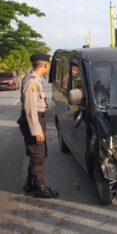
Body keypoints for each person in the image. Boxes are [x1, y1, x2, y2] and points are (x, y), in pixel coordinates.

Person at [17, 53, 59, 198]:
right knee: (38, 157)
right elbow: (30, 109)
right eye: (50, 65)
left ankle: (30, 184)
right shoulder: (32, 81)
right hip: (33, 122)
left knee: (39, 154)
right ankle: (40, 188)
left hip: (38, 120)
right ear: (46, 65)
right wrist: (37, 131)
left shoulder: (37, 79)